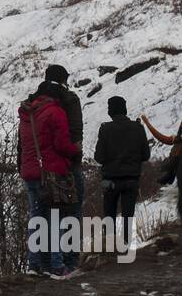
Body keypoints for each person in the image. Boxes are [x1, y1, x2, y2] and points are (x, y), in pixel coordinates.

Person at [18, 81, 81, 277]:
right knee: (56, 219)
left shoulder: (25, 115)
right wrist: (75, 151)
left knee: (36, 218)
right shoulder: (55, 111)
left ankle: (34, 264)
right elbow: (62, 143)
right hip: (51, 173)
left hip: (30, 172)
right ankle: (56, 264)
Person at [94, 96, 149, 249]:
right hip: (132, 179)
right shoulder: (138, 128)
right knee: (128, 215)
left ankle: (110, 248)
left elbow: (99, 157)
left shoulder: (105, 129)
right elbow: (146, 155)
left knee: (109, 215)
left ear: (110, 111)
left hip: (110, 180)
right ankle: (125, 247)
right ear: (124, 109)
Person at [43, 64, 85, 270]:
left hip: (42, 165)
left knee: (47, 214)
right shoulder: (69, 99)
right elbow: (76, 130)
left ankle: (47, 262)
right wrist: (75, 154)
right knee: (73, 209)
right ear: (63, 79)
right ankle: (70, 259)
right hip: (67, 162)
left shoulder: (34, 100)